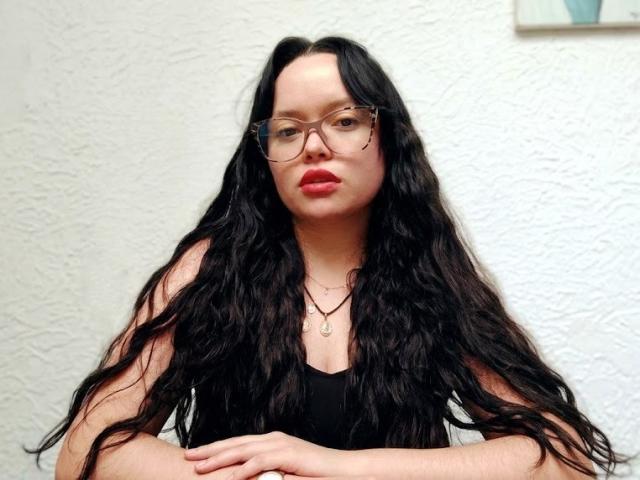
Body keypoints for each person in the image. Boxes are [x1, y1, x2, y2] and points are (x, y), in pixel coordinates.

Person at [29, 36, 627, 480]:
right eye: (287, 130)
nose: (314, 146)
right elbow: (85, 453)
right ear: (264, 154)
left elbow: (563, 459)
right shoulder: (208, 270)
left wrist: (334, 467)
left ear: (387, 138)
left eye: (343, 121)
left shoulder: (432, 278)